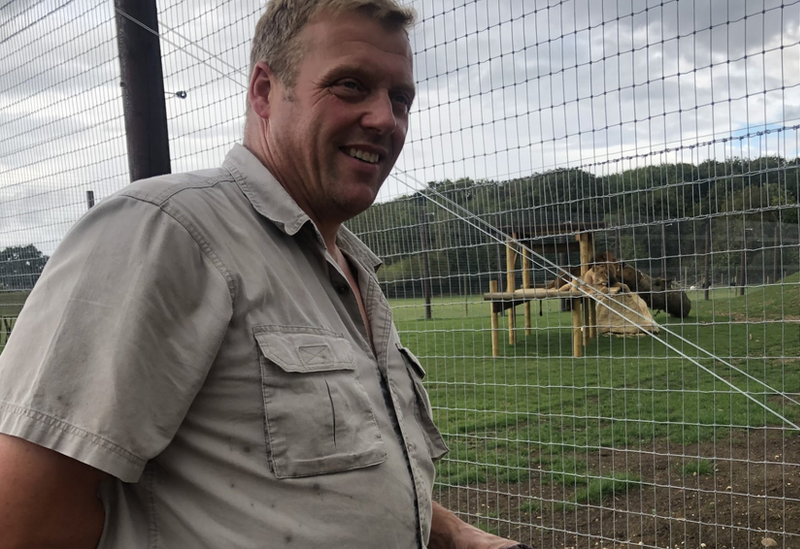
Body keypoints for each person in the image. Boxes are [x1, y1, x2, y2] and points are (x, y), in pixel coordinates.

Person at [0, 1, 534, 548]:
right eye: (350, 85)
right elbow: (22, 518)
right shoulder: (167, 231)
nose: (384, 119)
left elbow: (337, 474)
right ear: (264, 92)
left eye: (400, 98)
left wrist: (455, 534)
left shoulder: (347, 266)